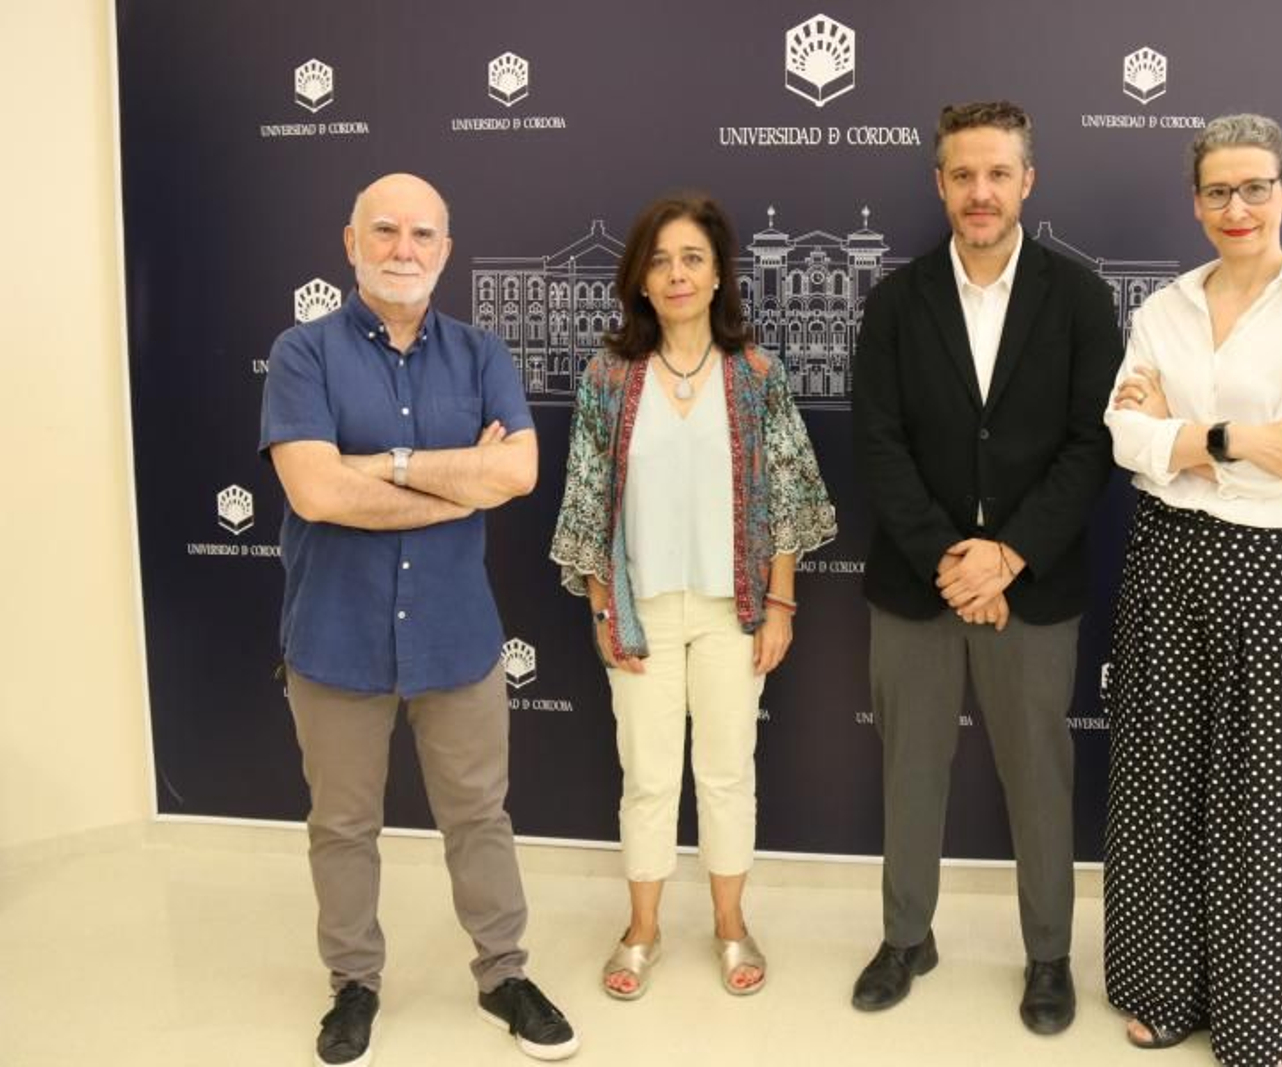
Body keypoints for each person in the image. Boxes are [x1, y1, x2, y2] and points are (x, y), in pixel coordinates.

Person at [261, 173, 578, 1065]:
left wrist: (387, 465)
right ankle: (354, 983)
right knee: (343, 826)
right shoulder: (303, 353)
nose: (405, 248)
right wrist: (451, 484)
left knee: (480, 815)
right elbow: (315, 490)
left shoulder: (482, 355)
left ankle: (503, 974)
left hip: (456, 638)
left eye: (423, 235)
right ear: (350, 241)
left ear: (447, 248)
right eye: (386, 231)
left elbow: (514, 475)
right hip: (333, 639)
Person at [848, 101, 1122, 1033]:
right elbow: (879, 446)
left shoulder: (1080, 298)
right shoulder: (896, 300)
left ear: (1027, 181)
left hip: (1033, 586)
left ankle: (1048, 957)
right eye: (963, 174)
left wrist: (1006, 556)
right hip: (915, 584)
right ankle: (904, 938)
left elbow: (1092, 445)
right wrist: (950, 560)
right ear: (939, 184)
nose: (980, 191)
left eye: (998, 173)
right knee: (910, 771)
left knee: (1039, 780)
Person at [1102, 113, 1282, 1067]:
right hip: (1168, 557)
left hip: (1280, 568)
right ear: (1195, 201)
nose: (1237, 207)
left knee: (1274, 795)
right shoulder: (1164, 308)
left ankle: (1262, 1014)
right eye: (1218, 190)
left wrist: (1187, 434)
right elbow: (1124, 436)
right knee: (1159, 785)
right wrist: (1227, 439)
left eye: (1256, 187)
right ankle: (1166, 990)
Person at [549, 192, 835, 1001]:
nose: (676, 274)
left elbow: (789, 497)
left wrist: (780, 604)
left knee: (726, 771)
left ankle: (731, 924)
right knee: (645, 775)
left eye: (693, 259)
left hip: (730, 611)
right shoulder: (608, 377)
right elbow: (586, 500)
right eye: (661, 259)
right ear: (640, 278)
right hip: (639, 610)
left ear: (718, 277)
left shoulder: (755, 374)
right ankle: (641, 930)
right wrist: (603, 608)